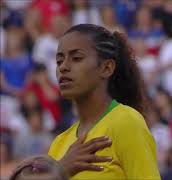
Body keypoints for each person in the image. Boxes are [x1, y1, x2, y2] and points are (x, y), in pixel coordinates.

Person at [48, 24, 160, 179]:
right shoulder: (58, 144)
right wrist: (61, 170)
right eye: (59, 61)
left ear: (106, 68)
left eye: (76, 58)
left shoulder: (126, 122)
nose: (63, 67)